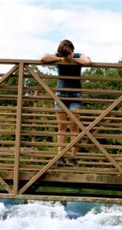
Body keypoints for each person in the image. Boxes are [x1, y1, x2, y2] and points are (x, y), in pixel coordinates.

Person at [41, 39, 91, 167]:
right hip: (61, 95)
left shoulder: (77, 55)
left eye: (70, 53)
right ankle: (60, 158)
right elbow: (43, 58)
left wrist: (72, 60)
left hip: (76, 95)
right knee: (62, 127)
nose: (69, 56)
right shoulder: (59, 56)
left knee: (74, 127)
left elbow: (88, 61)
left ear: (73, 50)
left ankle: (73, 159)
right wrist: (61, 59)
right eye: (66, 54)